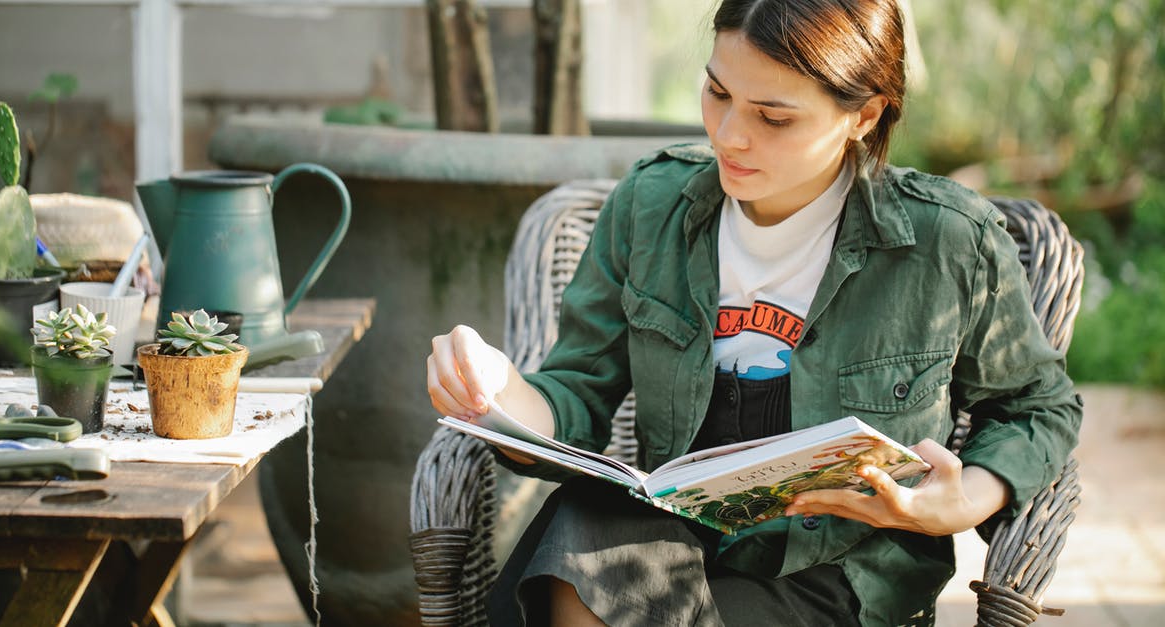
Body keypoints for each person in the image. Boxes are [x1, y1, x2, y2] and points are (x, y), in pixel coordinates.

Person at [426, 0, 1082, 625]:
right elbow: (575, 395)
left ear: (866, 114)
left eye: (773, 117)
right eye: (718, 93)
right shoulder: (652, 207)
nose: (729, 136)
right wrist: (497, 391)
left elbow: (1037, 406)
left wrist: (969, 495)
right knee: (582, 530)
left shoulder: (947, 243)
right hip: (671, 544)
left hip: (835, 578)